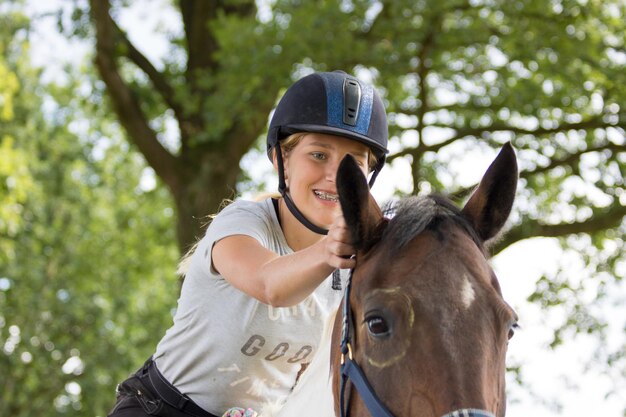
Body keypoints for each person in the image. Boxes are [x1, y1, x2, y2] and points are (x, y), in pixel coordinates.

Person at [107, 70, 389, 417]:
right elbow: (270, 283)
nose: (335, 175)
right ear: (280, 160)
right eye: (318, 155)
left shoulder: (352, 270)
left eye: (354, 163)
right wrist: (329, 250)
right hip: (162, 408)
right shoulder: (243, 222)